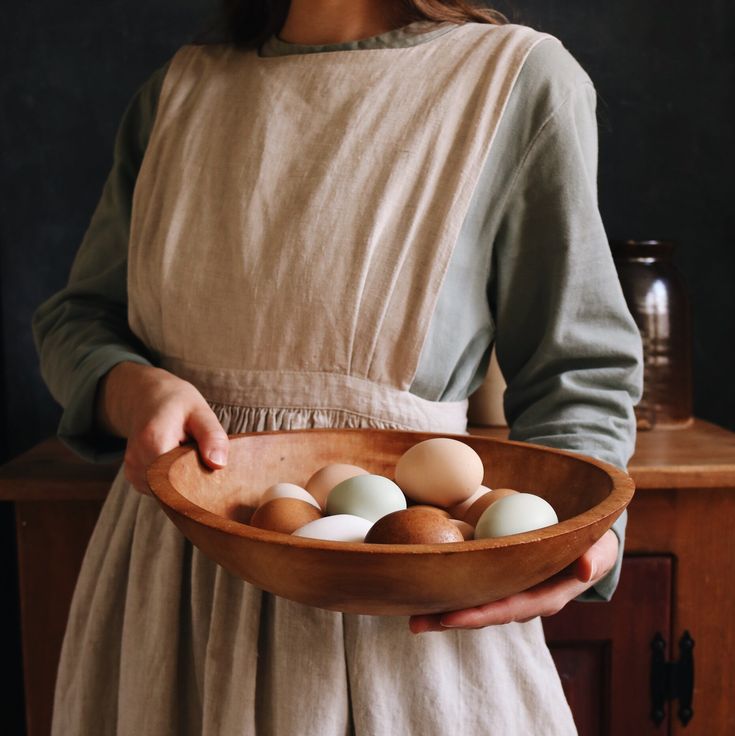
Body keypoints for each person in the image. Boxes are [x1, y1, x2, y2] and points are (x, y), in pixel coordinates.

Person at [33, 0, 643, 733]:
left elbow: (580, 370)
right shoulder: (176, 93)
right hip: (172, 583)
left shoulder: (513, 80)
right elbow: (75, 320)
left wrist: (579, 542)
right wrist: (129, 387)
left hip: (401, 601)